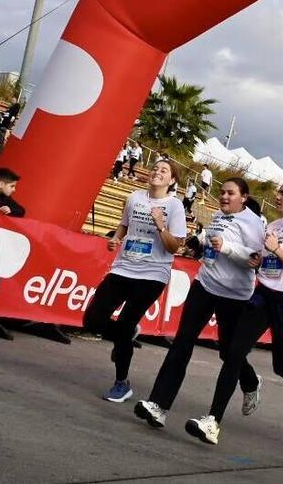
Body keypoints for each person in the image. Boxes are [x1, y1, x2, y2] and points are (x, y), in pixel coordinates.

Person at [197, 178, 283, 437]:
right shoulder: (272, 226)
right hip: (263, 296)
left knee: (281, 364)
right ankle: (213, 421)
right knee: (232, 352)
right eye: (278, 192)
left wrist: (277, 250)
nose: (278, 195)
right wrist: (259, 259)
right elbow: (265, 261)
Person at [135, 177, 266, 444]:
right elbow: (211, 237)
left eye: (231, 193)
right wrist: (200, 241)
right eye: (223, 192)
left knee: (229, 352)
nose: (225, 197)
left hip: (235, 295)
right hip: (205, 285)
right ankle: (159, 405)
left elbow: (254, 260)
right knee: (182, 342)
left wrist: (227, 248)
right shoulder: (218, 215)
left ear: (244, 197)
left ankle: (250, 381)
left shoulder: (253, 222)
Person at [82, 160, 186, 402]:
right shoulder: (134, 197)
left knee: (125, 324)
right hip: (123, 268)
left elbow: (174, 247)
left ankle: (122, 383)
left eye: (164, 171)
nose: (157, 172)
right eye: (155, 168)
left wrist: (161, 225)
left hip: (152, 274)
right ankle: (124, 333)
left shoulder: (175, 206)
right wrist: (116, 239)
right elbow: (124, 224)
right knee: (93, 321)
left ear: (172, 181)